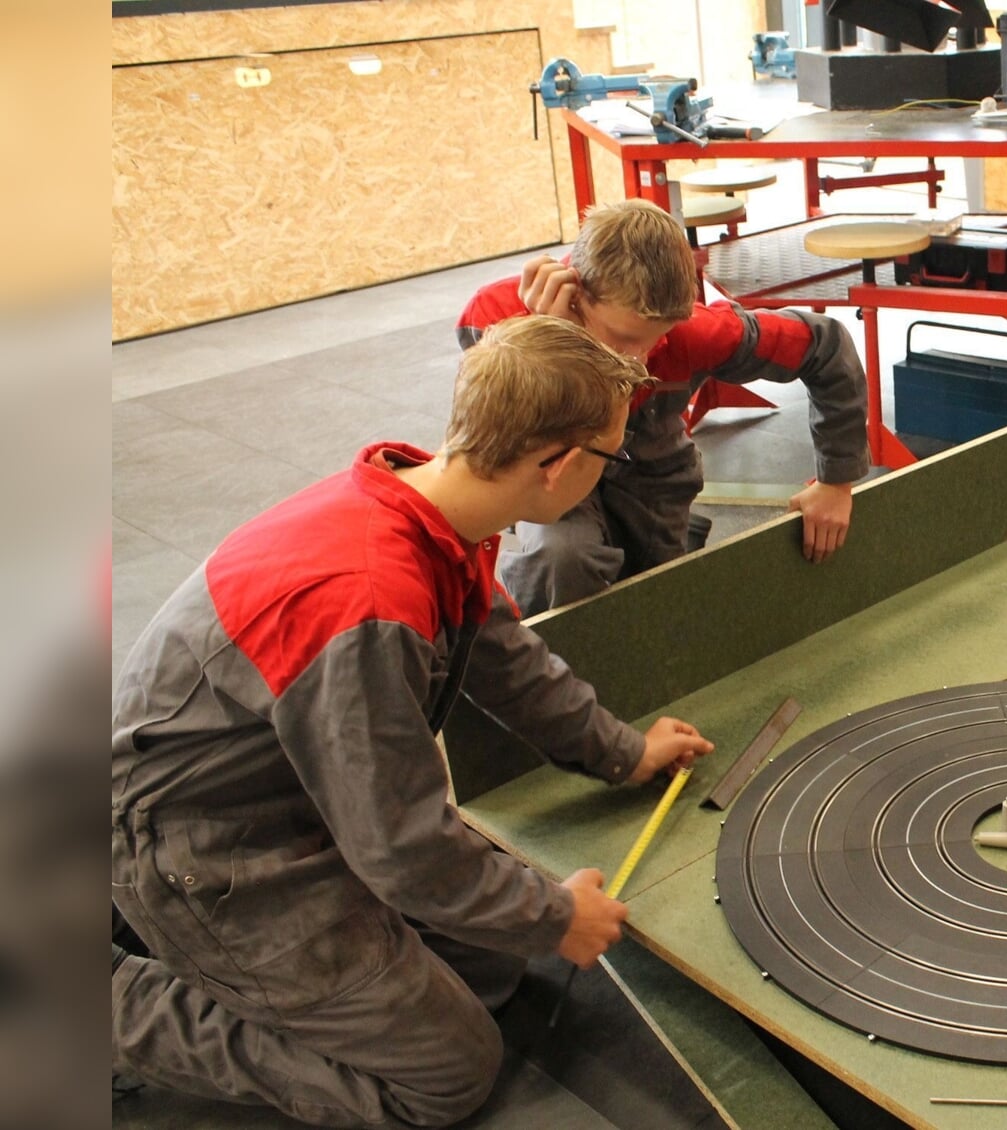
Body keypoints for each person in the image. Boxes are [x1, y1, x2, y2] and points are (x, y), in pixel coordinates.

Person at [111, 316, 717, 1127]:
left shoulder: (422, 506)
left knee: (494, 972)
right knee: (448, 1073)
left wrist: (624, 752)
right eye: (613, 455)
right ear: (559, 465)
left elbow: (508, 661)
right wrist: (555, 914)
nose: (613, 471)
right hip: (204, 853)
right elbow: (400, 845)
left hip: (293, 805)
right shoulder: (369, 604)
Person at [458, 199, 871, 617]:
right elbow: (494, 453)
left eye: (653, 339)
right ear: (576, 294)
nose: (637, 361)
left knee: (660, 599)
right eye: (622, 337)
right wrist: (545, 345)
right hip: (555, 452)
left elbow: (826, 347)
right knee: (562, 559)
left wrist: (836, 482)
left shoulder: (695, 332)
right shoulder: (496, 320)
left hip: (653, 467)